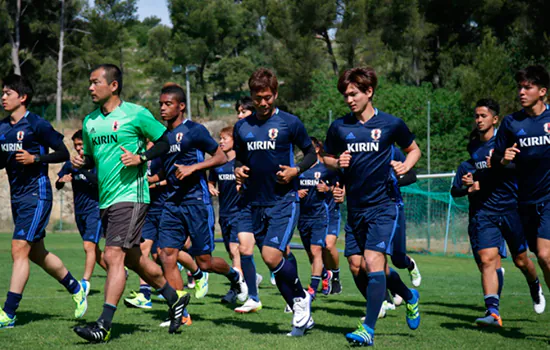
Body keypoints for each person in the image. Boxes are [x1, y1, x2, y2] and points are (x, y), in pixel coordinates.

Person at [72, 64, 189, 342]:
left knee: (113, 255)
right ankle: (175, 299)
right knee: (135, 259)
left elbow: (165, 141)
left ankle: (103, 325)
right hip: (107, 199)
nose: (90, 87)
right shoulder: (90, 122)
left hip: (132, 196)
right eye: (89, 82)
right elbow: (92, 158)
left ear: (113, 86)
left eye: (95, 82)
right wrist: (81, 161)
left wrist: (142, 158)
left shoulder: (135, 114)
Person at [323, 67, 421, 346]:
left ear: (369, 92)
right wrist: (336, 163)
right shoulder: (339, 127)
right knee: (356, 265)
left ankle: (368, 328)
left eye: (354, 94)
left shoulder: (391, 124)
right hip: (355, 209)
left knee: (373, 261)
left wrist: (406, 165)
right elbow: (327, 159)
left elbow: (414, 149)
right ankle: (409, 295)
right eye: (345, 95)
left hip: (384, 205)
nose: (349, 99)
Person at [233, 68, 317, 335]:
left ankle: (301, 299)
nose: (264, 103)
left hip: (284, 200)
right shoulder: (242, 126)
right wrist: (237, 168)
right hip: (253, 202)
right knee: (273, 259)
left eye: (268, 97)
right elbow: (240, 159)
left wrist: (296, 171)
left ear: (276, 94)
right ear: (252, 97)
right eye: (258, 98)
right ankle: (300, 307)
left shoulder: (289, 123)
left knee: (271, 256)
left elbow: (311, 154)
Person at [0, 74, 87, 329]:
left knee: (18, 248)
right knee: (36, 253)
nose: (3, 97)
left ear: (22, 97)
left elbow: (62, 152)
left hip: (37, 194)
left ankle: (8, 313)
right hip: (17, 196)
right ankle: (76, 288)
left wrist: (36, 159)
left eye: (8, 93)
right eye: (3, 92)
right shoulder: (3, 128)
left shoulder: (37, 124)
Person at [156, 84, 248, 310]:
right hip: (171, 202)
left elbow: (220, 157)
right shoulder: (162, 136)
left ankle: (234, 276)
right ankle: (179, 311)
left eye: (168, 104)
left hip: (196, 201)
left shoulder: (194, 130)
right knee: (166, 255)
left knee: (204, 263)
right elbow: (159, 172)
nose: (163, 109)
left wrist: (193, 168)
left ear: (181, 106)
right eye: (160, 104)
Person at [492, 65, 550, 301]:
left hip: (549, 198)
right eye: (520, 88)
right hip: (524, 201)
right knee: (533, 258)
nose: (522, 92)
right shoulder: (510, 123)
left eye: (528, 87)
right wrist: (503, 159)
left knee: (546, 256)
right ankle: (536, 285)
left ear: (543, 91)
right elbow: (495, 160)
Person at [208, 126, 263, 306]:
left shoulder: (241, 164)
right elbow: (211, 180)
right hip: (223, 214)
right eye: (220, 139)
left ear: (234, 141)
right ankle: (251, 276)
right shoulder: (218, 165)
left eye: (225, 138)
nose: (221, 142)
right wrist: (210, 187)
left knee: (235, 250)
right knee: (232, 253)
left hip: (240, 212)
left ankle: (237, 288)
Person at [56, 130, 107, 295]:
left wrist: (82, 170)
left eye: (81, 145)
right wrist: (60, 181)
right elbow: (58, 182)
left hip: (95, 209)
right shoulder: (71, 164)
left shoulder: (97, 163)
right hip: (80, 212)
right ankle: (118, 272)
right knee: (95, 251)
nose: (78, 148)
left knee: (88, 246)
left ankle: (85, 282)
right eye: (76, 145)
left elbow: (99, 182)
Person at [296, 137, 338, 299]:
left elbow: (338, 186)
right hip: (302, 217)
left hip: (319, 215)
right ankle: (324, 275)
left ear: (317, 149)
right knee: (310, 253)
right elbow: (289, 188)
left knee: (316, 250)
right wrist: (296, 193)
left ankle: (312, 288)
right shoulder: (298, 170)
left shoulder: (326, 169)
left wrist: (327, 188)